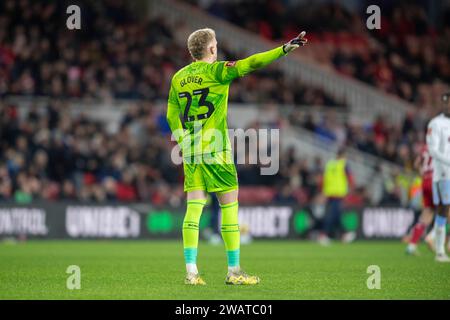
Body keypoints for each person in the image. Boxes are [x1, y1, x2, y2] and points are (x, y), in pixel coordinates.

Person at [166, 28, 307, 285]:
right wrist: (283, 49)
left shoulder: (178, 77)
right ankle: (233, 271)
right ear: (211, 49)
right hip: (216, 150)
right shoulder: (218, 71)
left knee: (194, 209)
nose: (216, 46)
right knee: (229, 206)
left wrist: (183, 139)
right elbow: (251, 63)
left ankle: (191, 272)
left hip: (191, 152)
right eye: (215, 43)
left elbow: (171, 115)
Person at [426, 92, 450, 262]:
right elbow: (433, 150)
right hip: (442, 174)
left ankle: (437, 241)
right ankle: (440, 251)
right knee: (443, 209)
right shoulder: (436, 123)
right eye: (446, 102)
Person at [318, 148, 355, 245]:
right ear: (343, 155)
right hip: (338, 193)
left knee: (336, 215)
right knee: (331, 215)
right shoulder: (343, 164)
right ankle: (323, 235)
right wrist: (351, 188)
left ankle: (344, 234)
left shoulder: (329, 164)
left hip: (329, 193)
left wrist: (322, 191)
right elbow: (350, 178)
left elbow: (322, 179)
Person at [405, 139, 435, 255]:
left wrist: (423, 173)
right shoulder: (444, 145)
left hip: (425, 181)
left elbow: (416, 164)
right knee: (446, 212)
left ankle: (411, 246)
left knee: (427, 214)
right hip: (437, 181)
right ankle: (432, 237)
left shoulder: (426, 147)